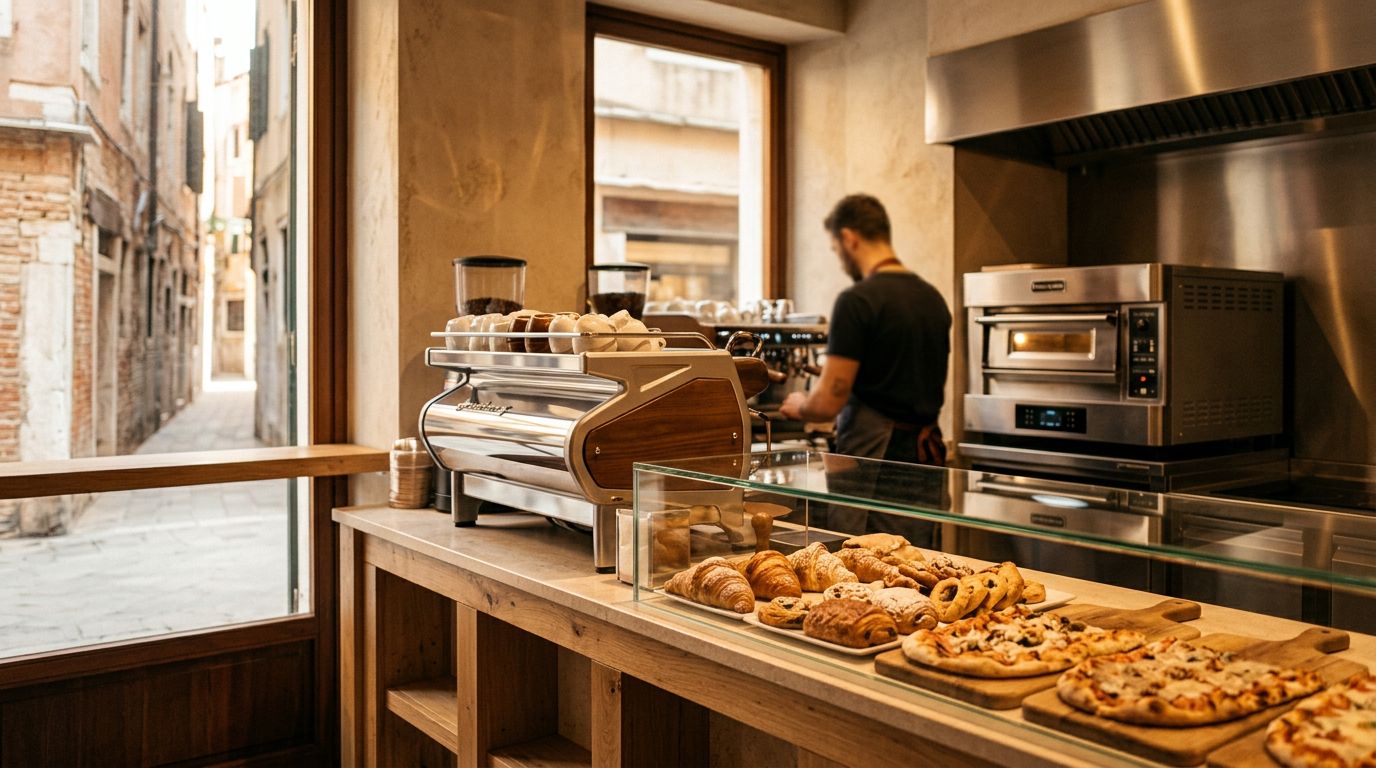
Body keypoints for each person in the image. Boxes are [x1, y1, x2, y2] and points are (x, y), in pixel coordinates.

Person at [779, 194, 952, 542]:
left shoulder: (857, 300)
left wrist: (799, 404)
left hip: (875, 460)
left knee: (867, 560)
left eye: (835, 248)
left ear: (849, 238)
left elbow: (829, 401)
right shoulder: (931, 298)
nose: (840, 259)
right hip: (922, 455)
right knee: (915, 558)